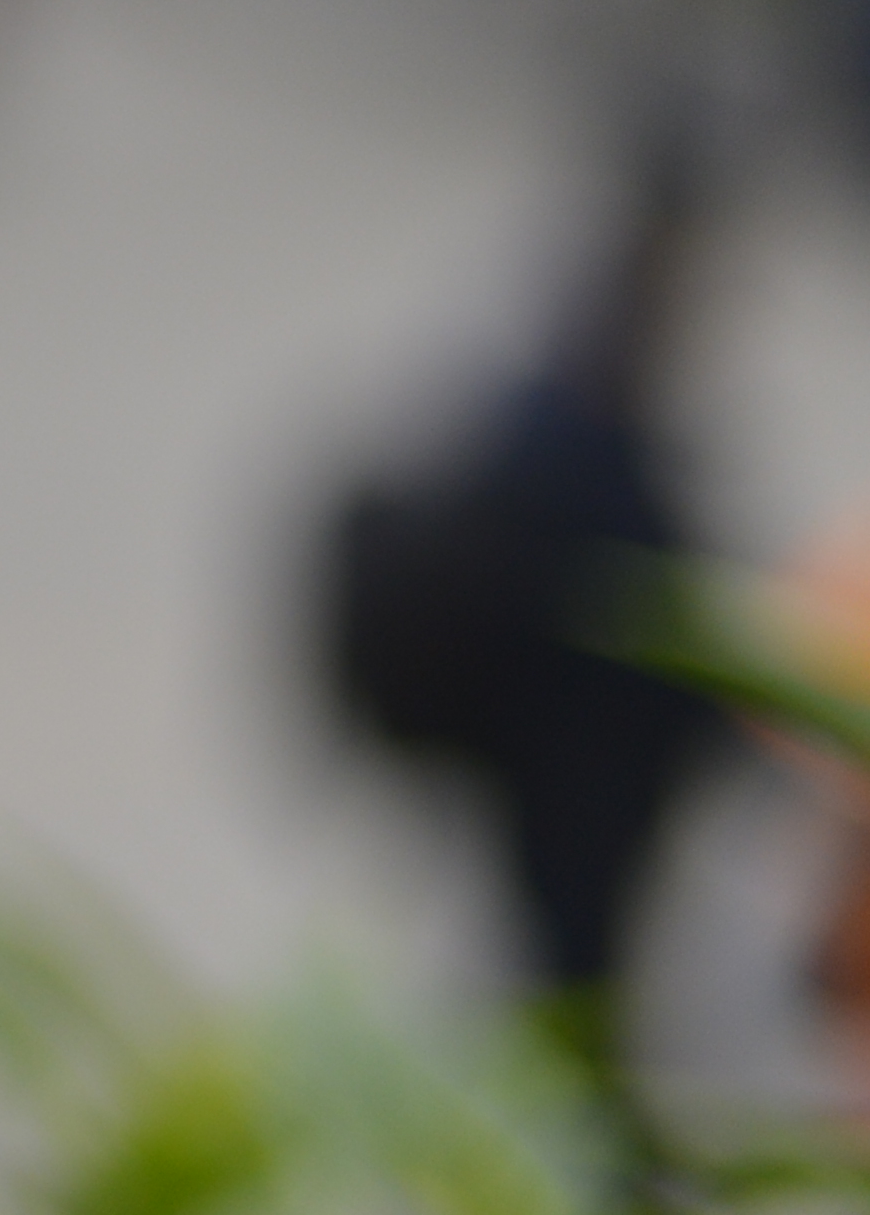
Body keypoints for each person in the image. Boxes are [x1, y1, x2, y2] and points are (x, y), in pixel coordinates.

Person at [314, 124, 737, 1100]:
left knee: (555, 977)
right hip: (571, 754)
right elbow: (642, 574)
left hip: (546, 745)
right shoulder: (594, 412)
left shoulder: (565, 355)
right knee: (574, 981)